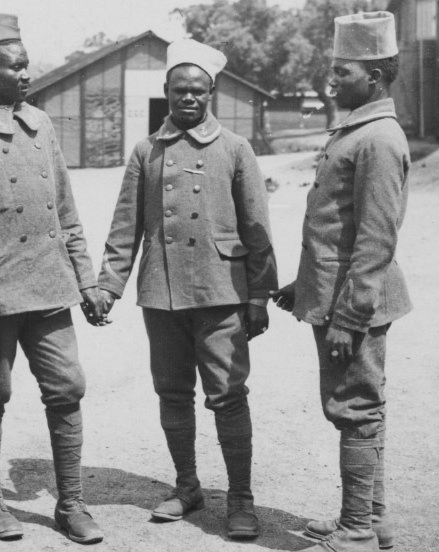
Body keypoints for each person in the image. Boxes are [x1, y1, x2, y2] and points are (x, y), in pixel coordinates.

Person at [0, 13, 107, 545]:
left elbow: (66, 215)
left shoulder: (41, 123)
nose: (27, 74)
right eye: (16, 65)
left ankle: (70, 503)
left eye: (27, 64)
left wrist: (88, 282)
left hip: (51, 289)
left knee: (68, 388)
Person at [96, 38, 277, 540]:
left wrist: (260, 294)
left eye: (198, 91)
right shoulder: (145, 151)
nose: (189, 99)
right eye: (180, 91)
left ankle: (240, 498)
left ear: (212, 91)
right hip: (162, 292)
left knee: (228, 395)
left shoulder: (236, 149)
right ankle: (187, 486)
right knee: (172, 393)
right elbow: (124, 227)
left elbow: (257, 228)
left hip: (221, 292)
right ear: (166, 92)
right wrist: (108, 285)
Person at [271, 11, 411, 552]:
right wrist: (302, 286)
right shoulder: (359, 130)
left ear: (374, 75)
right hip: (336, 295)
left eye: (342, 71)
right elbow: (335, 229)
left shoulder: (377, 139)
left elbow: (375, 240)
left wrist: (348, 317)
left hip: (356, 303)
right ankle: (371, 518)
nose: (331, 81)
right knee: (362, 404)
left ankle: (356, 531)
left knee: (354, 407)